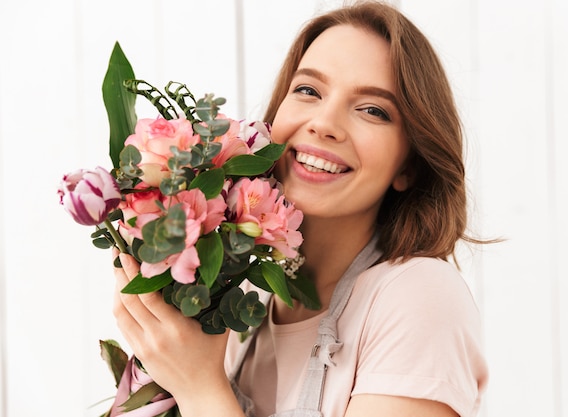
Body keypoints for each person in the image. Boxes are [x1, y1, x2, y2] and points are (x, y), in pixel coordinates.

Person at [112, 1, 489, 416]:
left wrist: (200, 386)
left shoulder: (418, 296)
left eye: (373, 110)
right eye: (308, 90)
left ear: (409, 166)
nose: (324, 123)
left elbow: (202, 390)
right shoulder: (242, 297)